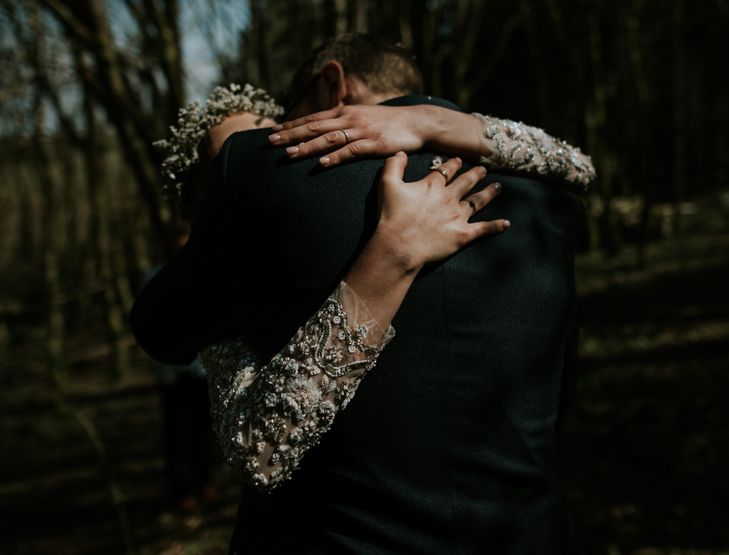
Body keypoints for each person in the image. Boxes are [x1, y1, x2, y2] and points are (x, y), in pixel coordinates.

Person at [131, 34, 593, 553]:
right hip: (527, 534)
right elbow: (557, 390)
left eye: (292, 111)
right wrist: (432, 122)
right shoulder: (544, 190)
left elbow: (161, 331)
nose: (285, 129)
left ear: (333, 84)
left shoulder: (264, 169)